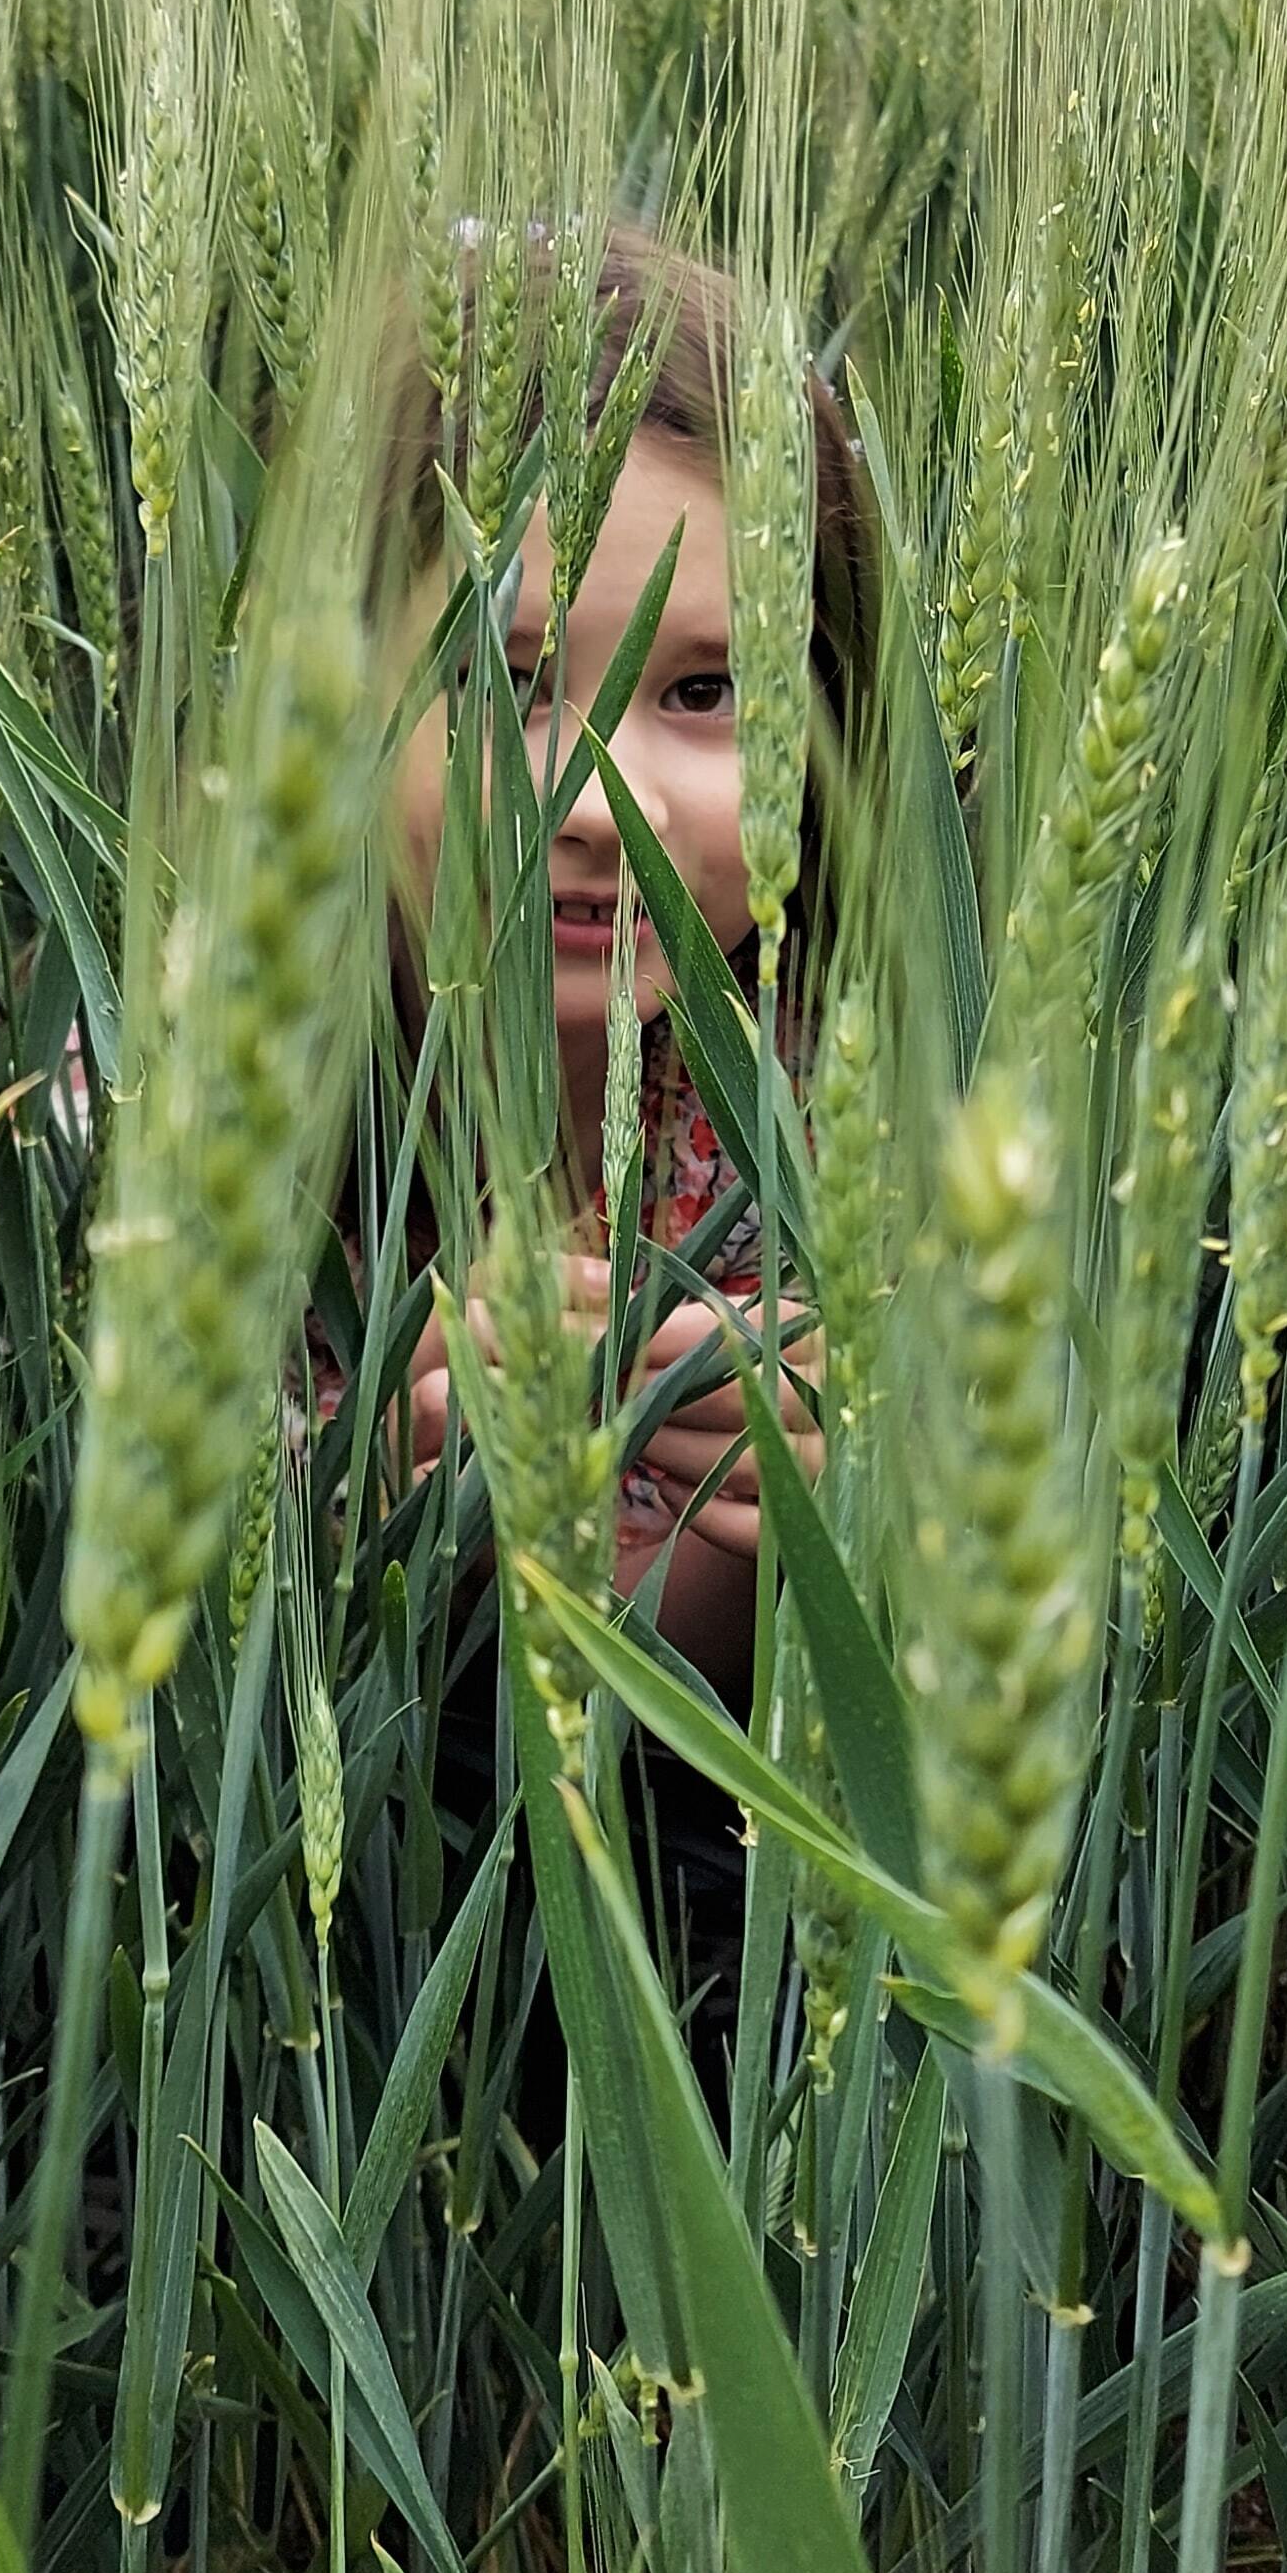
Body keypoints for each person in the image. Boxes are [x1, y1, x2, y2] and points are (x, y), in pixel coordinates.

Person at [375, 229, 871, 1697]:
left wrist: (768, 1531)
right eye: (505, 682)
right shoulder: (187, 1109)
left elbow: (680, 1732)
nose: (596, 806)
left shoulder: (833, 1125)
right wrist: (391, 1530)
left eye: (707, 689)